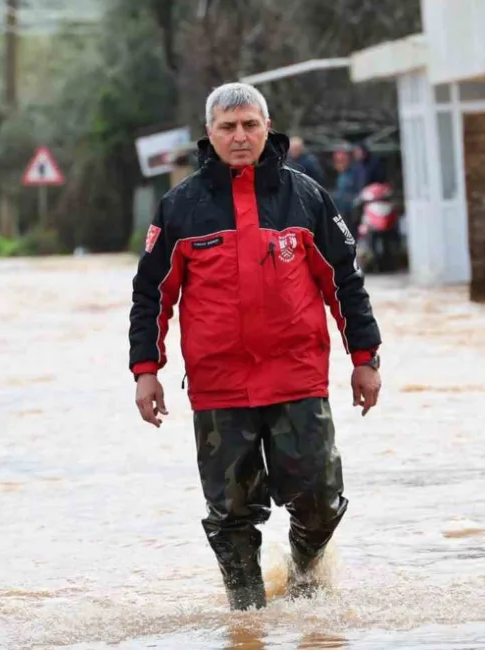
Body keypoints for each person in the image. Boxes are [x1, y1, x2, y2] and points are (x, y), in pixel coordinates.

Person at [128, 82, 383, 611]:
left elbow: (345, 282)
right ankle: (247, 621)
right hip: (220, 388)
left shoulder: (306, 196)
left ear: (267, 127)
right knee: (231, 516)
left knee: (319, 500)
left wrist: (365, 358)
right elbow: (151, 294)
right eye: (228, 127)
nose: (239, 136)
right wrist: (146, 370)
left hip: (297, 379)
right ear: (210, 134)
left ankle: (305, 580)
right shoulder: (180, 207)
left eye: (249, 125)